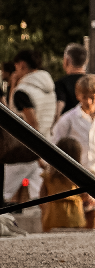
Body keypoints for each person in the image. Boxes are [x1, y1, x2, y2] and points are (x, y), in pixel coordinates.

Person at [50, 74, 95, 226]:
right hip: (75, 172)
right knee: (76, 214)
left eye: (92, 97)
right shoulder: (68, 119)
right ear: (78, 95)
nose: (88, 101)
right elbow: (56, 142)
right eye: (84, 97)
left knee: (93, 212)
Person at [6, 50, 56, 205]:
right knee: (37, 199)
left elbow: (31, 122)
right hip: (44, 146)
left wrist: (37, 152)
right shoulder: (48, 88)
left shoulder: (23, 92)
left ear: (21, 65)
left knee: (5, 191)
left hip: (23, 150)